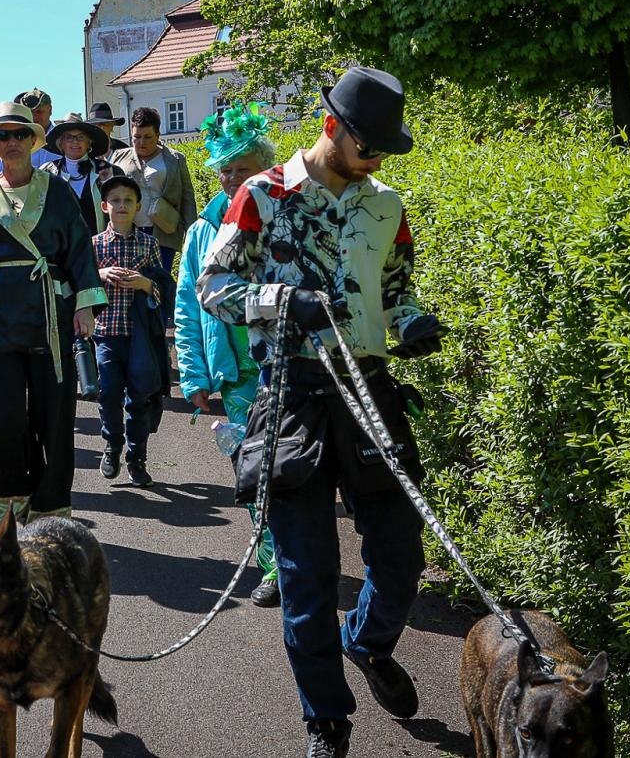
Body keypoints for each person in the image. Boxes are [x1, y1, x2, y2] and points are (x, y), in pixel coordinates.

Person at [197, 67, 447, 758]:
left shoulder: (386, 205)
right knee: (307, 579)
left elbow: (397, 289)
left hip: (368, 391)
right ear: (332, 127)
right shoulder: (261, 195)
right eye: (370, 146)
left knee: (400, 556)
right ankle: (326, 723)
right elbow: (212, 285)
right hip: (293, 396)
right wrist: (279, 301)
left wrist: (413, 323)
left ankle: (367, 643)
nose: (376, 162)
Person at [0, 102, 105, 523]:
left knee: (54, 413)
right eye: (3, 135)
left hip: (51, 315)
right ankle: (5, 496)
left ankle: (50, 502)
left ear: (32, 140)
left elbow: (78, 247)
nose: (12, 142)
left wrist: (87, 303)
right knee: (5, 413)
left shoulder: (55, 189)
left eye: (20, 134)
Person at [175, 102, 281, 607]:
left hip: (282, 365)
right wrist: (194, 374)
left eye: (244, 170)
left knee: (295, 465)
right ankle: (274, 565)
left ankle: (302, 558)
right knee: (256, 469)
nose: (234, 180)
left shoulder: (284, 217)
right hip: (236, 374)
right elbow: (187, 307)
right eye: (227, 171)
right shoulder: (200, 231)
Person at [90, 175, 174, 489]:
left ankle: (137, 458)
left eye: (128, 200)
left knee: (139, 397)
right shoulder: (94, 245)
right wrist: (100, 273)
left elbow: (164, 289)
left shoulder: (149, 243)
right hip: (107, 333)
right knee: (109, 392)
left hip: (140, 337)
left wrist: (146, 283)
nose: (121, 206)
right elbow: (81, 285)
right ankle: (112, 445)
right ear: (104, 206)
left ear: (137, 206)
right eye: (115, 200)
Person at [109, 106, 197, 274]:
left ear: (158, 135)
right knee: (130, 282)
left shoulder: (175, 159)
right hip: (128, 231)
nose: (141, 142)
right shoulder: (118, 157)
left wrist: (192, 235)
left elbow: (187, 198)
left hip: (163, 231)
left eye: (148, 137)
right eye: (136, 137)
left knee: (160, 283)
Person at [39, 112, 114, 235]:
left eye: (81, 137)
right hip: (62, 250)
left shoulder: (105, 170)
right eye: (69, 137)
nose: (75, 142)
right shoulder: (46, 172)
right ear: (61, 143)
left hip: (99, 247)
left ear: (89, 143)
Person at [14, 87, 62, 171]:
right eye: (30, 112)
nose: (34, 117)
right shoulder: (16, 141)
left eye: (39, 112)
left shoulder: (63, 139)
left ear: (50, 110)